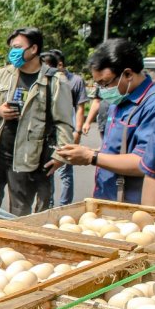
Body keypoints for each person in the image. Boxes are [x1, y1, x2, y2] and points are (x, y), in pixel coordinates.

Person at [0, 28, 74, 216]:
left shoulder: (54, 80)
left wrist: (60, 156)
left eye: (17, 47)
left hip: (27, 158)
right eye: (11, 48)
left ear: (34, 49)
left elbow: (64, 122)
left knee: (20, 212)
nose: (13, 52)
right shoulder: (3, 74)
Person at [58, 38, 155, 204]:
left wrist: (92, 157)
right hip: (107, 197)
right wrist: (85, 151)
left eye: (105, 83)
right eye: (99, 85)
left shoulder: (153, 105)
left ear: (128, 74)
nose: (103, 91)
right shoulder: (119, 99)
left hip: (132, 206)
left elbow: (145, 162)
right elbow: (116, 149)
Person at [49, 49, 89, 206]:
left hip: (66, 131)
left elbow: (80, 107)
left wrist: (78, 130)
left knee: (65, 171)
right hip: (49, 133)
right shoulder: (47, 79)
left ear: (60, 64)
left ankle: (64, 205)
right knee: (49, 170)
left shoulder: (75, 81)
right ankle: (49, 205)